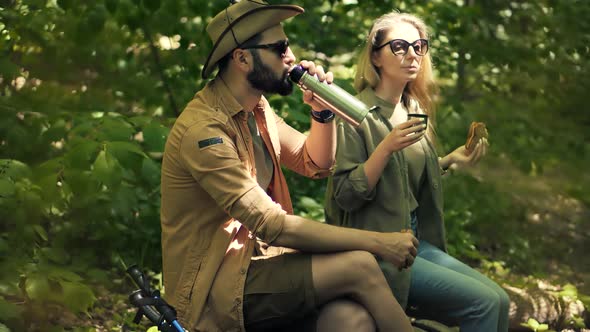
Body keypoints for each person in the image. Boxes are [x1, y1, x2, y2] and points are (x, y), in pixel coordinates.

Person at [160, 1, 418, 331]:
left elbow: (314, 162)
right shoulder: (204, 132)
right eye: (280, 48)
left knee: (349, 320)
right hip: (218, 287)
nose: (291, 57)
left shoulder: (256, 110)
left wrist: (322, 111)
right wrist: (377, 242)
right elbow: (272, 225)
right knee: (361, 265)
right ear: (242, 58)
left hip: (263, 262)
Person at [324, 11, 511, 332]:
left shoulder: (413, 109)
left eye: (419, 46)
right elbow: (345, 196)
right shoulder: (353, 114)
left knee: (501, 300)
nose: (412, 55)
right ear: (375, 56)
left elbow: (401, 183)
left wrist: (451, 160)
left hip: (416, 240)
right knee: (484, 303)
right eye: (399, 46)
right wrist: (385, 147)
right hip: (378, 250)